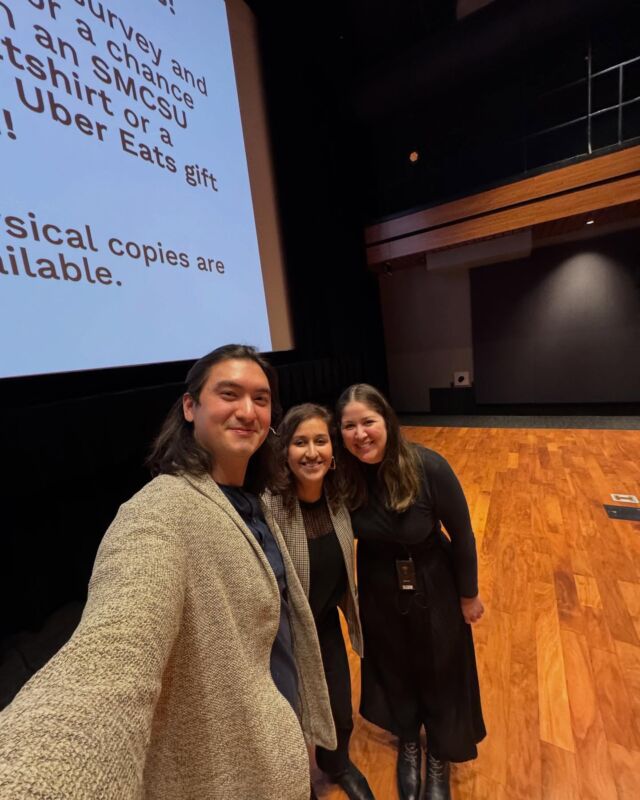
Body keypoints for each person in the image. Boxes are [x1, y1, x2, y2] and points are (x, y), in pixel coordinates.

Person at [0, 344, 335, 800]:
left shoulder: (255, 499)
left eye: (261, 398)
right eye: (230, 393)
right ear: (190, 406)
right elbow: (111, 655)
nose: (248, 410)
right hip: (237, 773)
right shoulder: (157, 513)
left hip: (281, 742)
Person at [336, 384, 486, 800]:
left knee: (440, 664)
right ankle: (408, 737)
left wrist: (468, 594)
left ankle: (438, 750)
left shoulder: (428, 466)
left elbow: (464, 535)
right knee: (395, 663)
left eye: (368, 422)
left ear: (387, 421)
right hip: (379, 584)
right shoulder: (345, 478)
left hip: (434, 578)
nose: (360, 433)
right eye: (349, 425)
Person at [264, 404, 376, 800]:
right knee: (289, 718)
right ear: (285, 452)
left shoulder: (340, 498)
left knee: (340, 710)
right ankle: (297, 785)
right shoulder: (269, 506)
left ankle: (337, 765)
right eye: (299, 442)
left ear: (332, 452)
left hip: (324, 622)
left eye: (320, 441)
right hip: (280, 635)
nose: (311, 452)